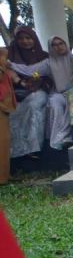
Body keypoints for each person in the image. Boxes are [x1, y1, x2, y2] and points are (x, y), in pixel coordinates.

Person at [7, 26, 49, 158]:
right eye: (21, 38)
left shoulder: (44, 56)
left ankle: (33, 148)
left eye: (28, 38)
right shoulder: (9, 56)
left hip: (39, 90)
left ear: (34, 39)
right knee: (13, 111)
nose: (25, 41)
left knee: (33, 105)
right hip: (16, 92)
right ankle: (14, 150)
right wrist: (19, 81)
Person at [0, 48, 18, 184]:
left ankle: (5, 175)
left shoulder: (5, 71)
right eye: (5, 58)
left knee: (5, 142)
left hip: (4, 110)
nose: (7, 61)